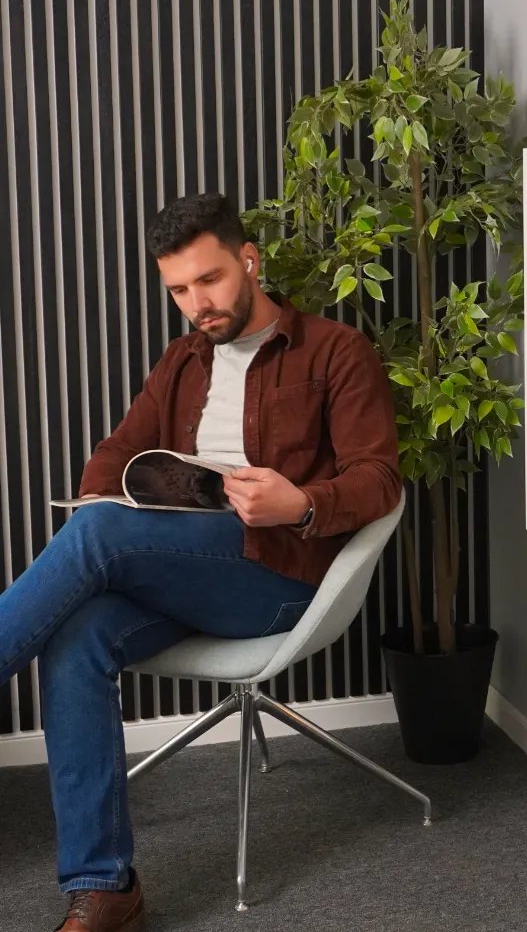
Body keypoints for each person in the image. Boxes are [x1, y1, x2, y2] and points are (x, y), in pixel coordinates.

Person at [0, 193, 401, 932]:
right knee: (75, 634)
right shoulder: (182, 361)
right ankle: (105, 887)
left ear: (249, 260)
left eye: (209, 281)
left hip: (277, 575)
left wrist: (302, 503)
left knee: (98, 540)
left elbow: (379, 478)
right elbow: (116, 454)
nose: (197, 304)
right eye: (180, 291)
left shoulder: (334, 351)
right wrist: (118, 494)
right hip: (182, 566)